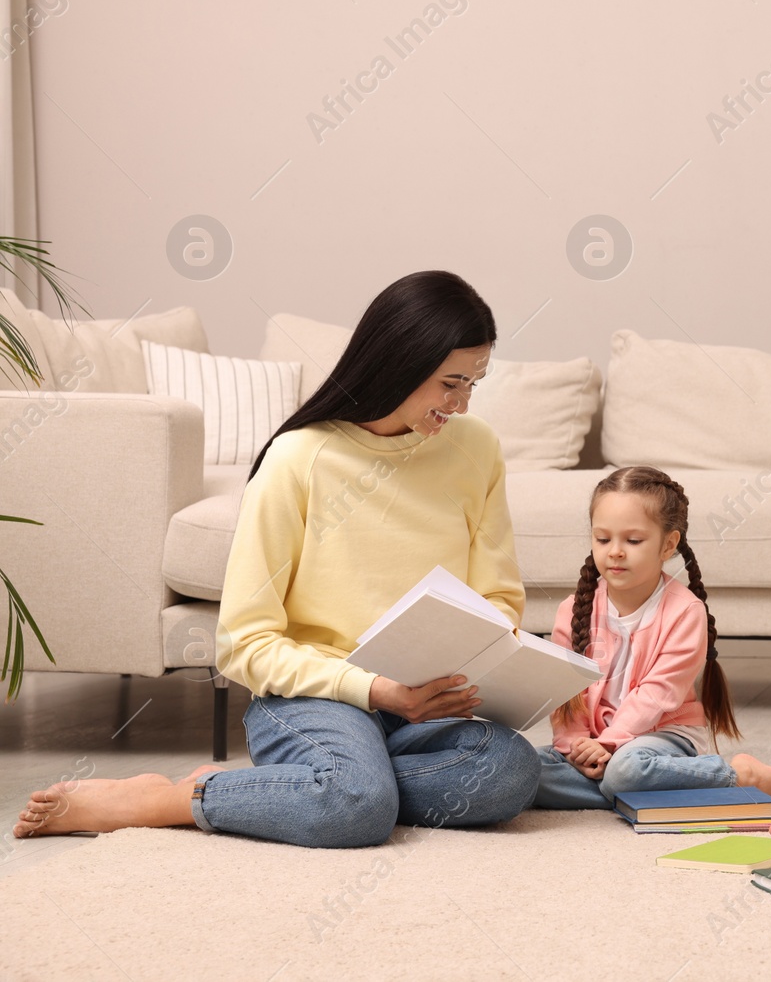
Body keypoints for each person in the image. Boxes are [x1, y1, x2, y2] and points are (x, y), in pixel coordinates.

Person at [13, 271, 541, 847]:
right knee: (356, 806)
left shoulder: (477, 449)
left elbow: (498, 598)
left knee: (510, 771)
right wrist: (375, 690)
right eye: (451, 383)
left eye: (474, 384)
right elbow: (243, 644)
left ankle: (318, 787)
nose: (462, 404)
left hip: (422, 703)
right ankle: (169, 798)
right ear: (401, 361)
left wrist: (484, 656)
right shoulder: (300, 457)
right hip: (314, 698)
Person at [530, 465, 771, 807]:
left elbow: (656, 695)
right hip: (595, 744)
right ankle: (630, 790)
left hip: (662, 737)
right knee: (521, 769)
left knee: (626, 770)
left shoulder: (685, 613)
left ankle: (737, 777)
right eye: (602, 539)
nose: (615, 551)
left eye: (633, 541)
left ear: (668, 544)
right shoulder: (573, 609)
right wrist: (575, 748)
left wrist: (609, 744)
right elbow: (565, 694)